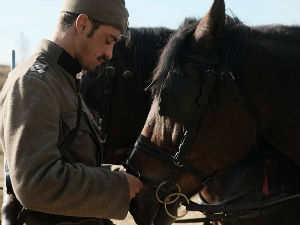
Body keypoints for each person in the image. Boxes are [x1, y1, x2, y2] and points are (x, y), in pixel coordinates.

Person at [0, 0, 143, 224]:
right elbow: (36, 183)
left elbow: (72, 159)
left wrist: (116, 176)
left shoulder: (62, 79)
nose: (110, 53)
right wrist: (117, 186)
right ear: (83, 24)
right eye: (108, 40)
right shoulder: (34, 82)